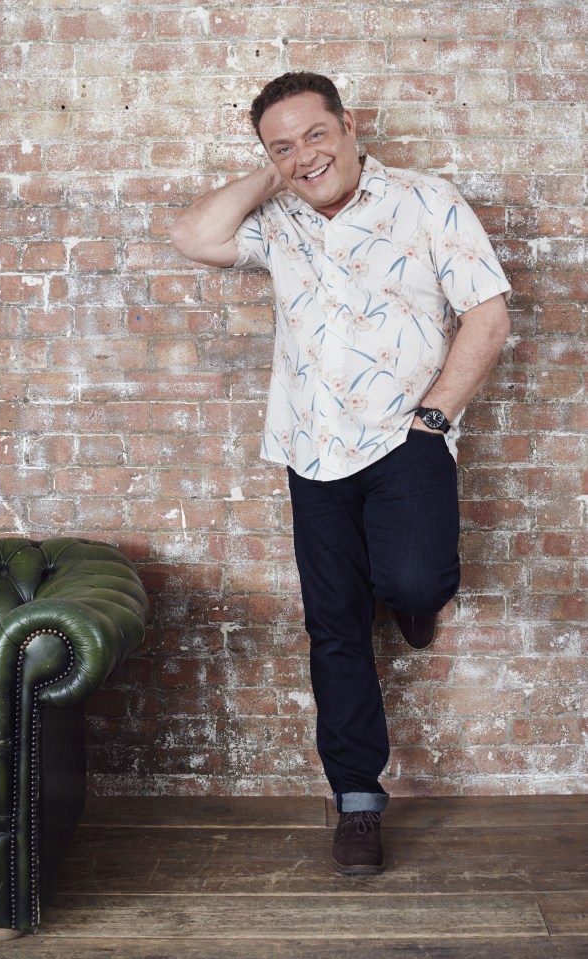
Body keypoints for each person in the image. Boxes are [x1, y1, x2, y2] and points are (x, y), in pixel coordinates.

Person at [170, 71, 511, 876]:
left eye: (314, 135)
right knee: (333, 627)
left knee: (418, 580)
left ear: (350, 124)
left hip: (406, 440)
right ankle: (357, 798)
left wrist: (432, 423)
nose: (304, 156)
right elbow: (193, 235)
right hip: (309, 451)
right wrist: (272, 171)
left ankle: (410, 601)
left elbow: (487, 315)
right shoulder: (277, 221)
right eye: (281, 145)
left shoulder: (427, 202)